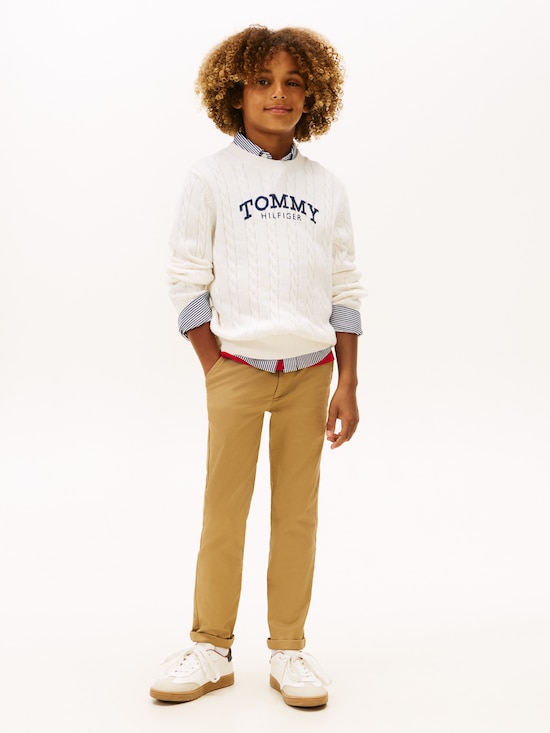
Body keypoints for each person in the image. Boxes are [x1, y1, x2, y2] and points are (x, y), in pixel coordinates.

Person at [150, 24, 364, 708]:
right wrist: (213, 363)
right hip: (236, 369)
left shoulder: (326, 187)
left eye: (293, 82)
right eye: (263, 82)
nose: (279, 94)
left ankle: (289, 649)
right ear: (234, 93)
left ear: (313, 94)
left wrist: (347, 380)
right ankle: (210, 647)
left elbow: (344, 285)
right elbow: (186, 275)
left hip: (311, 372)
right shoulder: (210, 178)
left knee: (297, 514)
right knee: (225, 511)